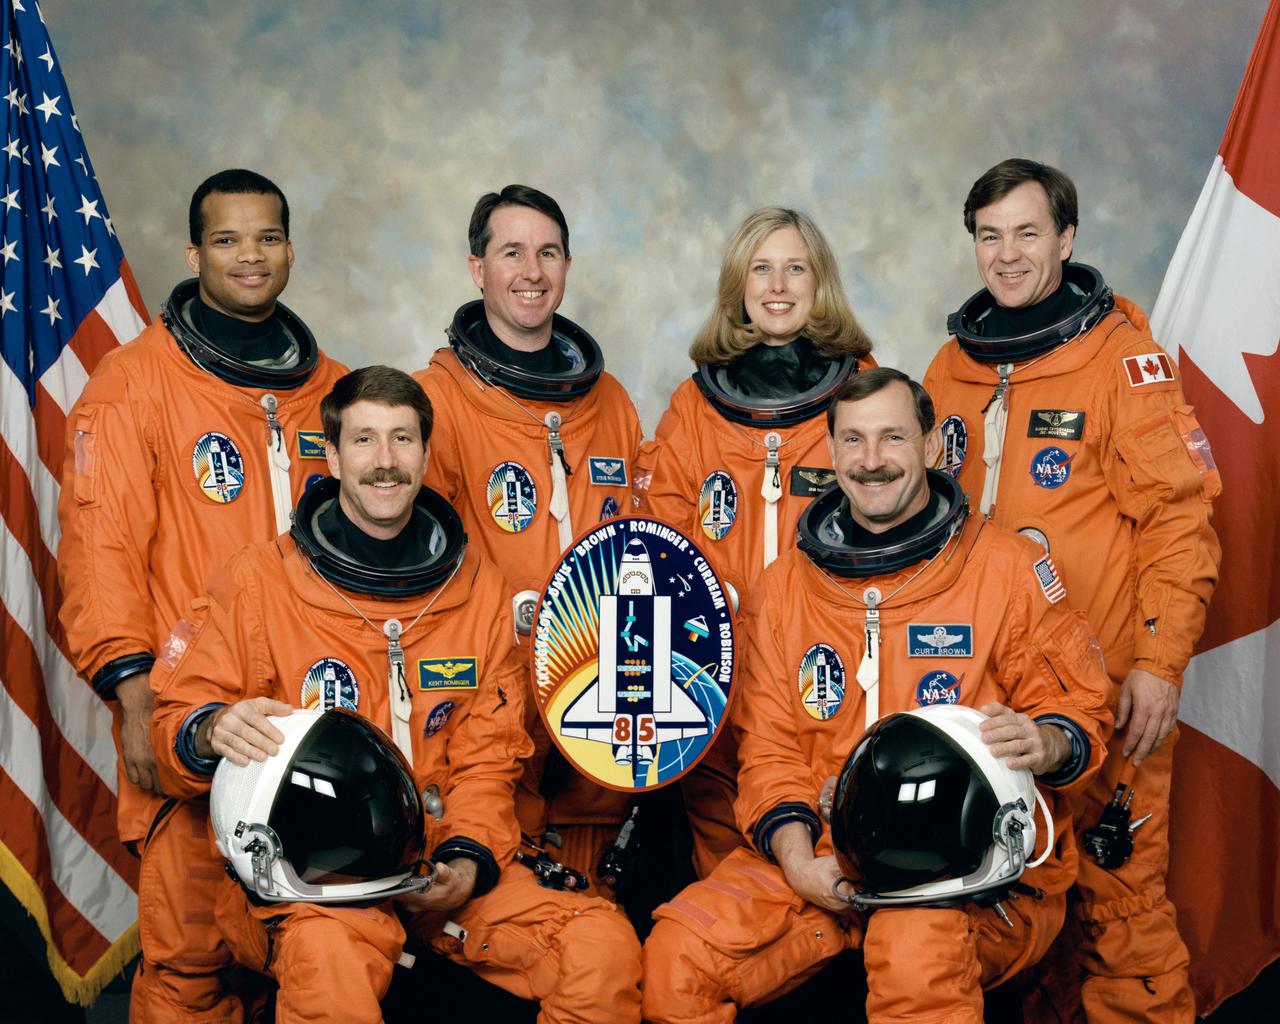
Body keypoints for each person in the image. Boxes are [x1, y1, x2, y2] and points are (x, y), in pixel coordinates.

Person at [150, 366, 642, 1024]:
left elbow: (488, 757)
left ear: (425, 452)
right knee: (327, 964)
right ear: (331, 456)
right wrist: (209, 730)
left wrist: (467, 861)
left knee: (602, 949)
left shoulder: (479, 590)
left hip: (441, 860)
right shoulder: (259, 584)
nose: (385, 462)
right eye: (364, 440)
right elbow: (175, 725)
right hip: (317, 880)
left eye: (403, 439)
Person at [641, 368, 1112, 1023]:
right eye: (853, 441)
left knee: (915, 957)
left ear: (929, 447)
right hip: (824, 856)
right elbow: (771, 747)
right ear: (831, 453)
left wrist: (1047, 740)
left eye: (892, 438)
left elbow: (1082, 708)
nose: (870, 461)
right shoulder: (787, 588)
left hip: (964, 865)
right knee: (676, 960)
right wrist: (799, 861)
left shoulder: (1002, 569)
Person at [923, 158, 1221, 1022]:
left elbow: (1181, 520)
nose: (1007, 255)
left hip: (1109, 687)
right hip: (991, 696)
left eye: (1026, 232)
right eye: (989, 236)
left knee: (1120, 908)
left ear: (1066, 238)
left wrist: (1160, 665)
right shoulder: (951, 368)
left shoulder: (1123, 364)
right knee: (1013, 903)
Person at [57, 168, 347, 1022]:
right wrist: (133, 689)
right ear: (194, 252)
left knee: (314, 955)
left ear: (289, 249)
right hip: (194, 716)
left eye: (266, 238)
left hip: (306, 719)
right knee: (193, 964)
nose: (249, 257)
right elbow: (100, 550)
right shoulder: (133, 384)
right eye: (227, 240)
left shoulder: (333, 390)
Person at [413, 185, 644, 899]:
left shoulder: (610, 401)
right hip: (492, 697)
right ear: (477, 269)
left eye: (547, 252)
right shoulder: (437, 401)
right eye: (511, 252)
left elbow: (644, 540)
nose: (531, 271)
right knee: (493, 890)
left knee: (595, 917)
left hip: (602, 687)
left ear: (568, 266)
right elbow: (422, 569)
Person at [633, 207, 874, 877]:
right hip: (718, 681)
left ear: (818, 283)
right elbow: (662, 549)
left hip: (829, 679)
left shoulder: (864, 397)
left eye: (795, 268)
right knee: (731, 879)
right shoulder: (693, 408)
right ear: (737, 286)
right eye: (760, 269)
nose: (777, 286)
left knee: (839, 864)